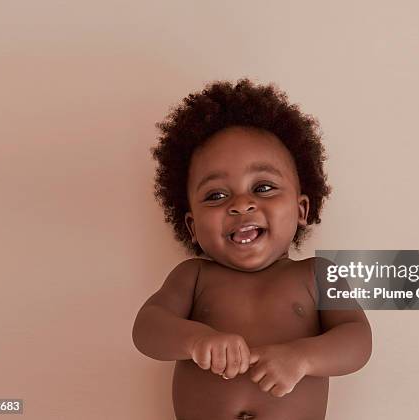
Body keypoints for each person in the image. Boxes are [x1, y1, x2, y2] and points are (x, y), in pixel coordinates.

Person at [132, 78, 372, 420]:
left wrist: (303, 357)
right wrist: (195, 340)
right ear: (192, 227)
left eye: (263, 187)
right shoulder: (194, 276)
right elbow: (147, 328)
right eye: (216, 195)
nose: (241, 204)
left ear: (302, 209)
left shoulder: (317, 275)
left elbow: (358, 339)